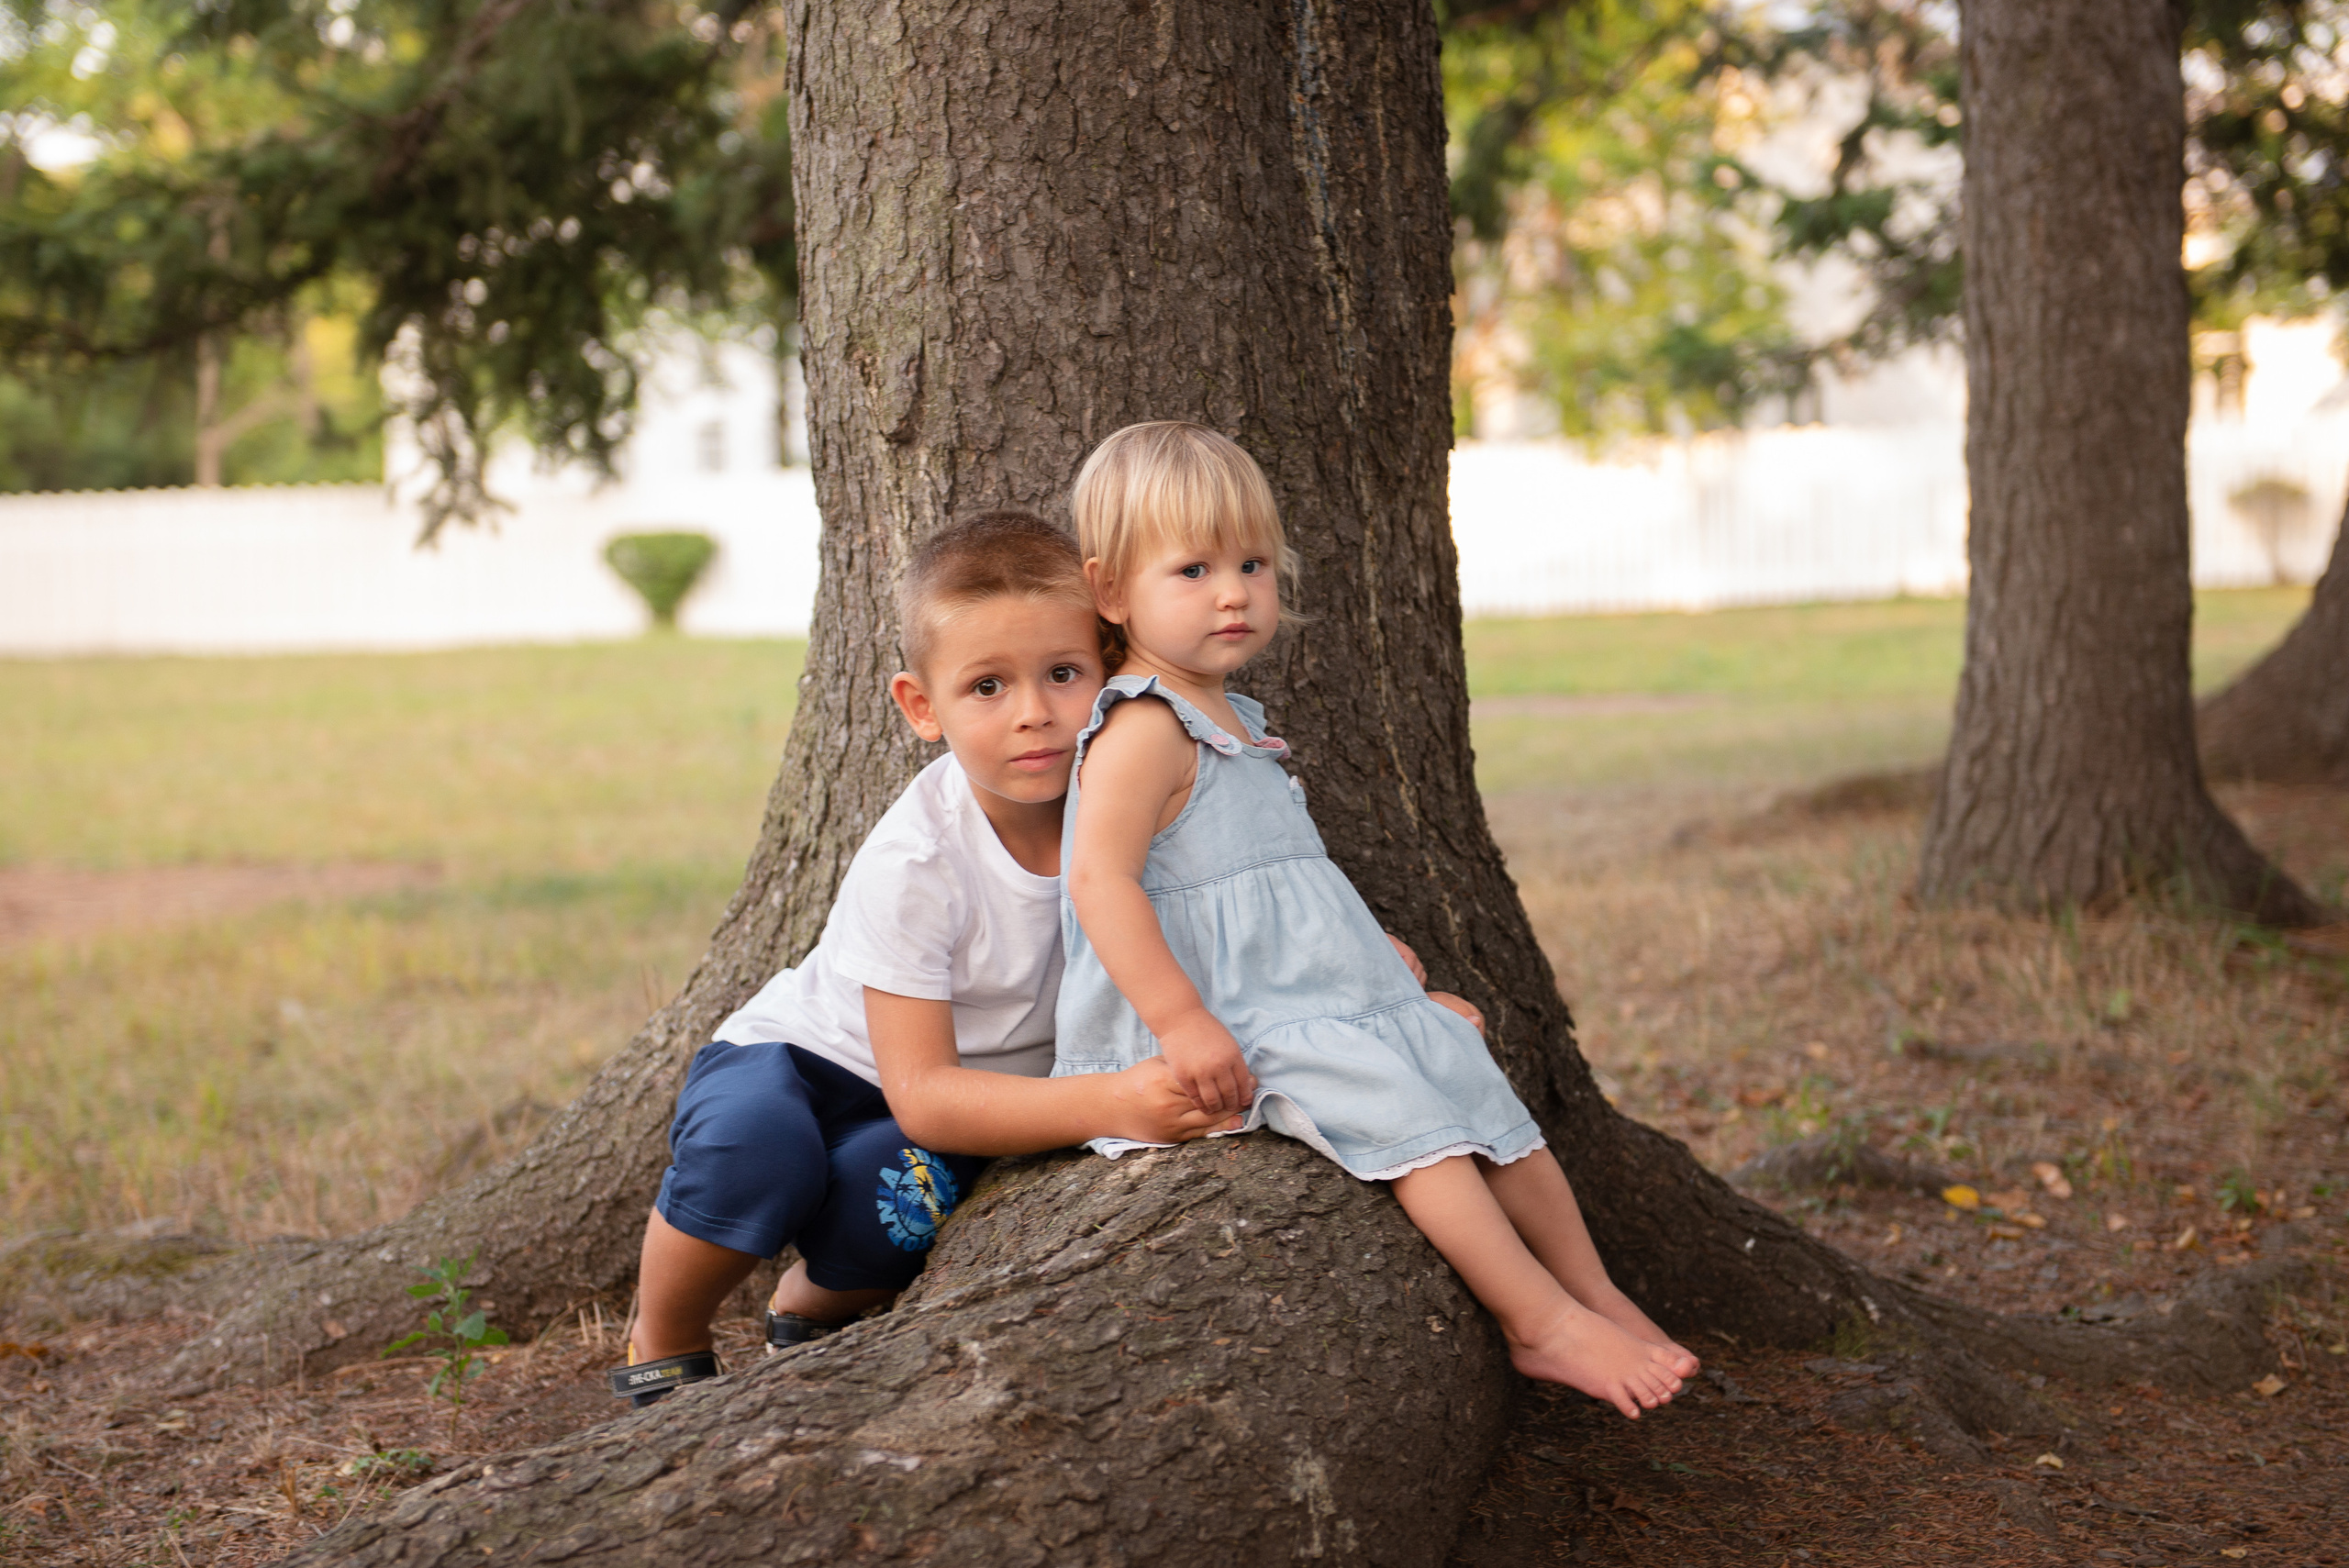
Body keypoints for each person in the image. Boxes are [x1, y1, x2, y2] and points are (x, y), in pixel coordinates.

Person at [1052, 423, 1700, 1419]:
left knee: (1466, 1074)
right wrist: (1182, 1024)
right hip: (1216, 1016)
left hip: (1295, 988)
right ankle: (1538, 1320)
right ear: (1110, 592)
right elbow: (1101, 881)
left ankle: (1592, 1289)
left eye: (1252, 564)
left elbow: (1265, 876)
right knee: (1408, 1114)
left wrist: (1352, 947)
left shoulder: (1236, 717)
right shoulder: (1143, 725)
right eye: (1193, 570)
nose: (1234, 593)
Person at [612, 511, 1240, 1407]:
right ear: (921, 707)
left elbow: (1243, 902)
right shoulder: (917, 859)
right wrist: (1113, 1102)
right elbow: (924, 1091)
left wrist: (1366, 965)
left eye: (1063, 673)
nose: (1033, 712)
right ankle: (666, 1334)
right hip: (804, 1061)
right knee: (756, 1148)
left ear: (1111, 668)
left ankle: (810, 1301)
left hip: (949, 1104)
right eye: (986, 686)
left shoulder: (1137, 805)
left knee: (907, 1192)